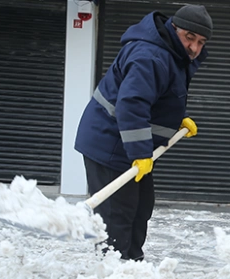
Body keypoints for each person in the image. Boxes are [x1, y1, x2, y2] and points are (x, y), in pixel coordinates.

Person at [74, 5, 212, 261]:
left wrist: (175, 120)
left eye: (201, 42)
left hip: (127, 144)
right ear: (173, 28)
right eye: (189, 37)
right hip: (111, 144)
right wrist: (139, 151)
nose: (194, 48)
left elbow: (153, 96)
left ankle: (132, 265)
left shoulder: (171, 53)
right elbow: (132, 103)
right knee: (117, 216)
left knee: (140, 208)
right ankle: (112, 273)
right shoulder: (152, 56)